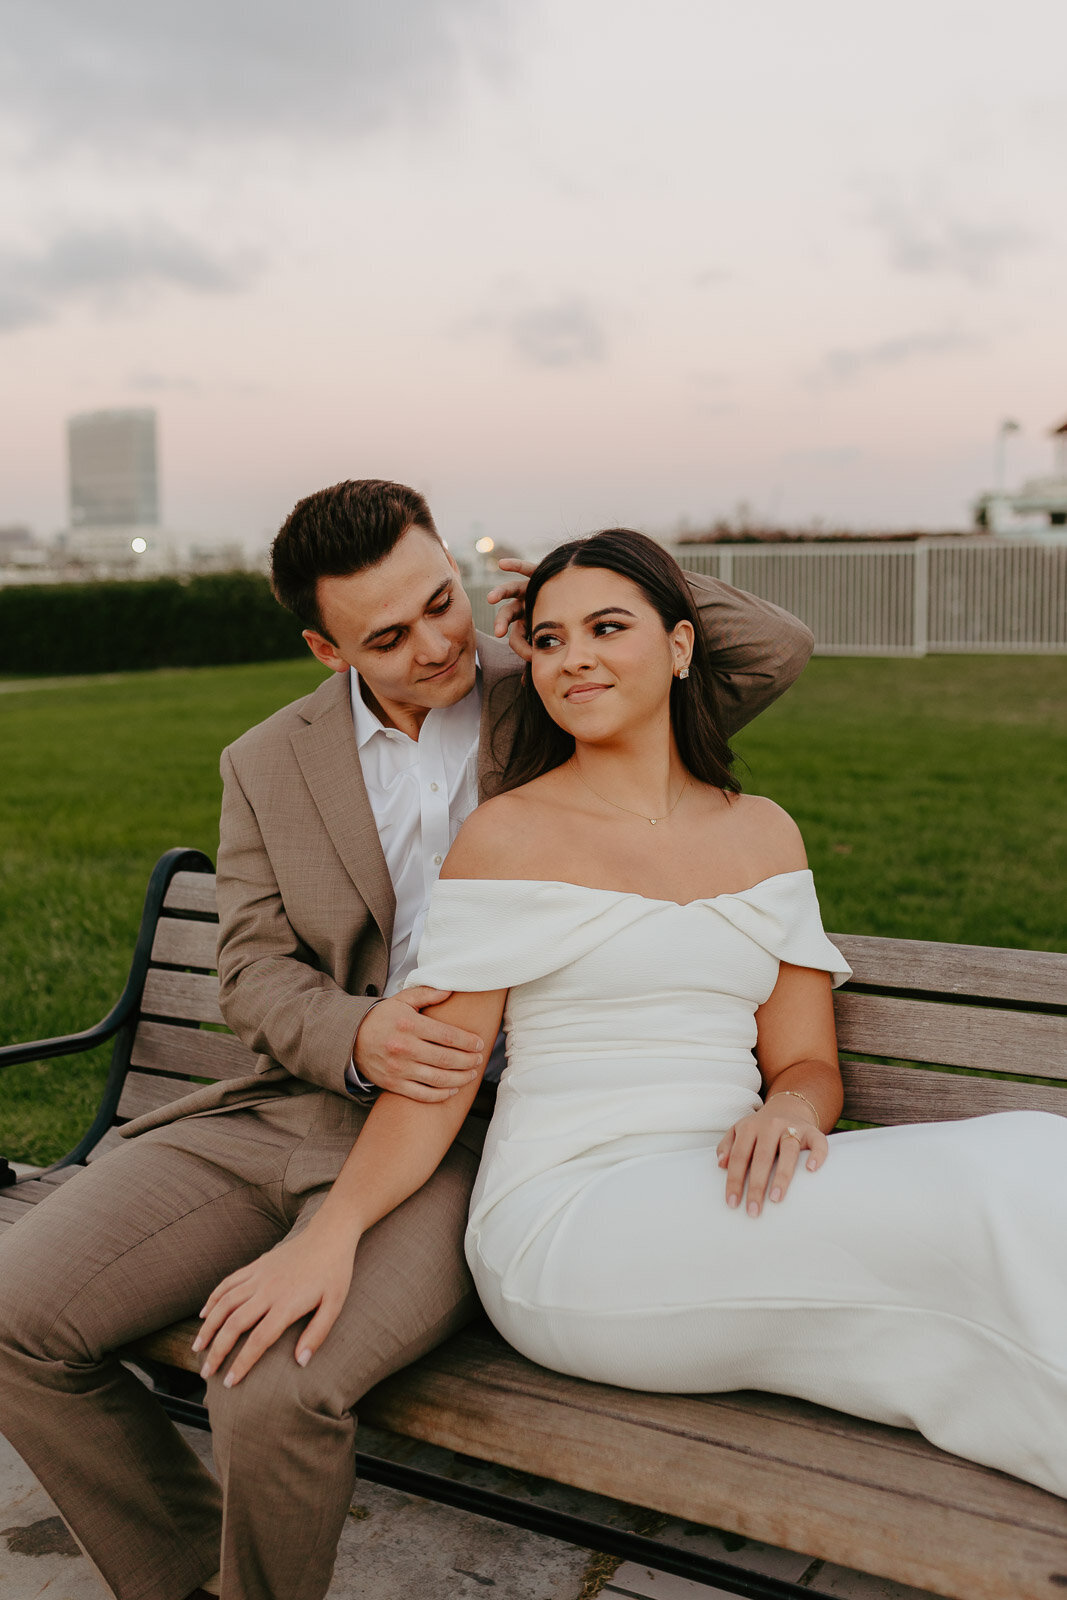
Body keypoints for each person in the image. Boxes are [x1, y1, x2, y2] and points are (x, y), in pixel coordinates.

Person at [0, 485, 814, 1600]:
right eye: (387, 635)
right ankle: (186, 1577)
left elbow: (772, 649)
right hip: (283, 1110)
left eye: (443, 601)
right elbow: (248, 969)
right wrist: (355, 1033)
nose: (437, 644)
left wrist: (580, 582)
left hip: (473, 1137)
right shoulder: (266, 761)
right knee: (13, 1318)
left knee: (273, 1385)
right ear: (323, 646)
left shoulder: (554, 685)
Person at [195, 526, 1067, 1504]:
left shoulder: (761, 831)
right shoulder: (507, 835)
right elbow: (434, 1079)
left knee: (1039, 1157)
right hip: (570, 1223)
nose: (573, 658)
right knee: (982, 1199)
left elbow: (805, 1063)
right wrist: (332, 1232)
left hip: (725, 1182)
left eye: (608, 627)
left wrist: (789, 1111)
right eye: (549, 639)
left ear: (682, 645)